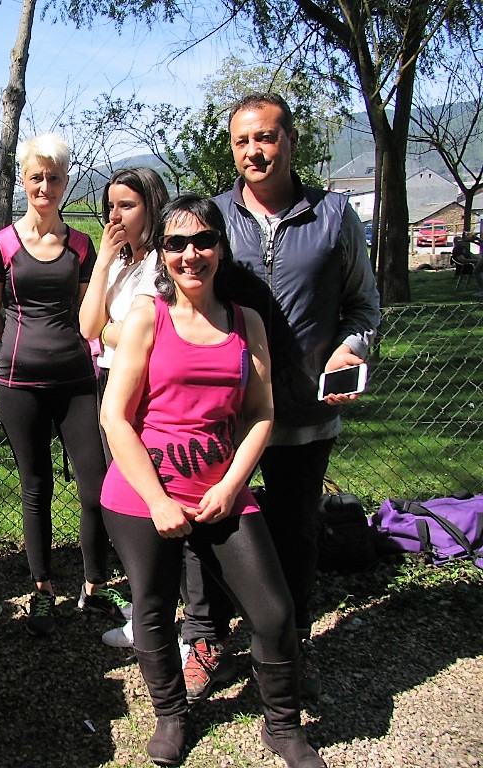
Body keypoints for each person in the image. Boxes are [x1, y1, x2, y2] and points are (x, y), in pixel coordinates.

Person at [101, 193, 326, 768]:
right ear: (162, 253)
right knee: (153, 610)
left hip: (221, 492)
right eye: (176, 243)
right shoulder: (147, 316)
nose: (190, 254)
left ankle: (283, 726)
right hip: (143, 496)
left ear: (221, 249)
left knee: (273, 612)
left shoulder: (246, 322)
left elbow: (261, 413)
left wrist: (230, 486)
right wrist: (158, 501)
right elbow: (114, 418)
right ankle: (172, 716)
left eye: (203, 241)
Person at [178, 93, 380, 704]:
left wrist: (352, 350)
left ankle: (289, 643)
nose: (254, 152)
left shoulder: (334, 215)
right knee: (207, 526)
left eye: (265, 137)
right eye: (241, 141)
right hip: (222, 416)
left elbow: (364, 307)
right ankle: (206, 637)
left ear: (290, 140)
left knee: (296, 531)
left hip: (303, 413)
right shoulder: (212, 216)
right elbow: (181, 296)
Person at [0, 133, 125, 637]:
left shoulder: (81, 245)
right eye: (36, 177)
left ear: (65, 183)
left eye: (55, 178)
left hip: (77, 382)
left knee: (95, 486)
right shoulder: (1, 246)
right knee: (35, 487)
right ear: (23, 180)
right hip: (19, 384)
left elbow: (90, 310)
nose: (45, 186)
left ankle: (95, 586)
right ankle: (42, 589)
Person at [77, 168, 169, 647]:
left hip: (146, 387)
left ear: (152, 206)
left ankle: (159, 614)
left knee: (145, 489)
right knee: (124, 491)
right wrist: (102, 263)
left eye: (127, 205)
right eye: (110, 206)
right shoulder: (119, 262)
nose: (115, 215)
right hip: (109, 380)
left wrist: (114, 330)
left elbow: (146, 335)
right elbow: (87, 325)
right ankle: (148, 601)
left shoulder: (161, 263)